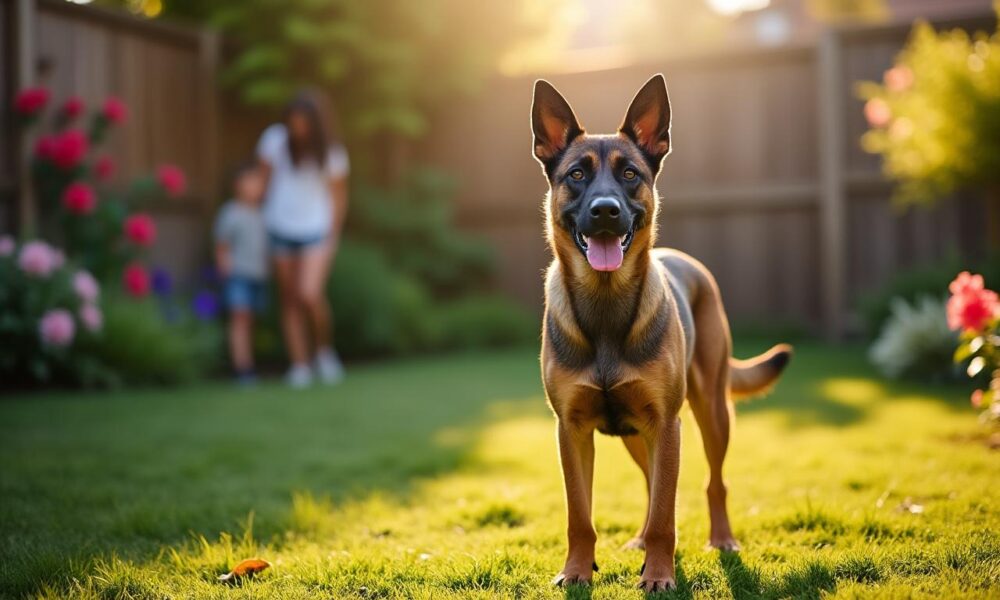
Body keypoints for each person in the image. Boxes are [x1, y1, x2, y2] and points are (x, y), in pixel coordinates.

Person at [257, 90, 349, 388]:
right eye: (293, 121)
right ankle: (300, 366)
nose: (297, 128)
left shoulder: (332, 153)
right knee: (290, 299)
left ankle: (324, 352)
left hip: (315, 230)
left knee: (310, 293)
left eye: (303, 122)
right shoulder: (274, 141)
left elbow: (339, 200)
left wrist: (332, 238)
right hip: (279, 226)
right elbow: (263, 182)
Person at [214, 162, 269, 386]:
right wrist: (224, 266)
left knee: (250, 321)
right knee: (239, 319)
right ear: (238, 185)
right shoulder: (231, 212)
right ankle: (242, 368)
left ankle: (250, 364)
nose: (257, 186)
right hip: (238, 275)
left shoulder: (263, 213)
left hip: (259, 276)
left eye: (259, 181)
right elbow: (222, 244)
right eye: (251, 181)